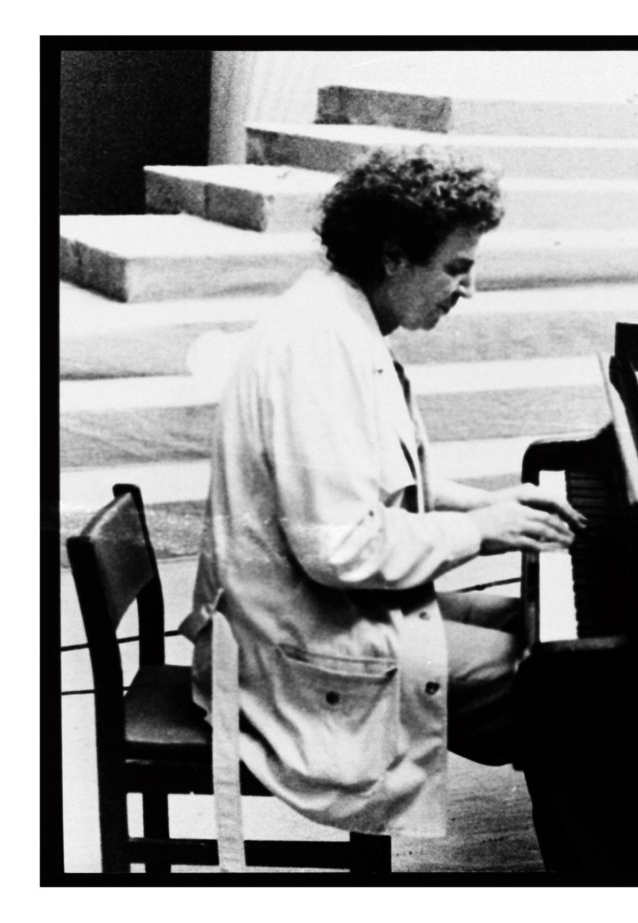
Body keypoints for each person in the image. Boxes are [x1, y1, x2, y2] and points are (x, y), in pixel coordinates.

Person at [179, 148, 605, 852]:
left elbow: (370, 479)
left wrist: (484, 503)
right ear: (394, 257)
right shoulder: (320, 348)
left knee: (567, 645)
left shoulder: (339, 318)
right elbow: (342, 548)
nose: (467, 289)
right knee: (573, 690)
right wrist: (482, 529)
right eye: (457, 267)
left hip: (310, 615)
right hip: (290, 650)